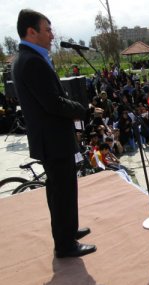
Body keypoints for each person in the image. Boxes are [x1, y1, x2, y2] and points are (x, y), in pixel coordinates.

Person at [12, 9, 95, 258]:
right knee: (61, 190)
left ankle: (68, 231)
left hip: (52, 137)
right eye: (47, 29)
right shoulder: (31, 61)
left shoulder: (28, 58)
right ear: (31, 31)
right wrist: (84, 110)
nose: (52, 34)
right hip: (52, 138)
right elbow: (53, 103)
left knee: (63, 187)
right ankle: (64, 244)